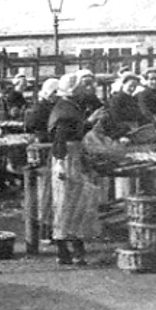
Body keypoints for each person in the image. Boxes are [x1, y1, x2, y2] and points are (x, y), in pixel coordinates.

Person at [48, 73, 102, 265]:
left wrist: (88, 123)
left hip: (73, 156)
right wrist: (61, 163)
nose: (84, 90)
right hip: (67, 159)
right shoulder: (65, 109)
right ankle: (69, 251)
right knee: (67, 205)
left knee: (73, 205)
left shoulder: (69, 106)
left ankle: (69, 251)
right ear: (74, 89)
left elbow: (75, 131)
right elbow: (60, 138)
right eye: (81, 86)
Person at [25, 78, 59, 241]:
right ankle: (44, 231)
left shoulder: (53, 106)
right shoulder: (39, 109)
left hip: (51, 150)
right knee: (45, 193)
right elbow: (32, 128)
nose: (56, 96)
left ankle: (50, 229)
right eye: (54, 93)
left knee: (51, 193)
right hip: (44, 152)